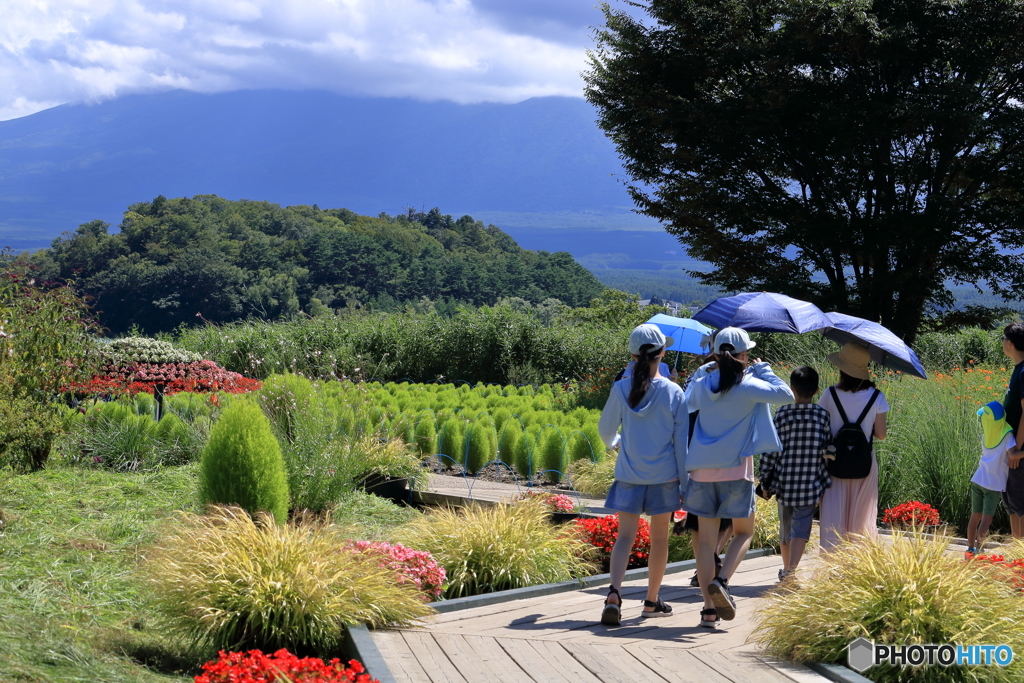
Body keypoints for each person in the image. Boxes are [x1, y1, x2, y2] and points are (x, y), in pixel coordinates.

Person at [685, 327, 793, 627]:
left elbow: (686, 404)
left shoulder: (704, 384)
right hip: (736, 471)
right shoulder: (749, 385)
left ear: (716, 355)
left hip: (701, 471)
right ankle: (722, 580)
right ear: (744, 355)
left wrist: (704, 371)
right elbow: (786, 395)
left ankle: (708, 610)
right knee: (743, 532)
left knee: (705, 543)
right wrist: (764, 369)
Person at [597, 324, 688, 626]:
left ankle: (613, 594)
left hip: (629, 473)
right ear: (663, 353)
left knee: (625, 536)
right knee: (659, 540)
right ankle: (651, 601)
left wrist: (617, 444)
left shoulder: (621, 388)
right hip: (664, 477)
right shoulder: (674, 391)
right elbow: (682, 442)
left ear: (633, 354)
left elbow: (605, 430)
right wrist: (685, 484)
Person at [758, 366, 832, 580]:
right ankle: (791, 570)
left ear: (791, 390)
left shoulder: (782, 414)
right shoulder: (822, 416)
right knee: (801, 528)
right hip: (810, 482)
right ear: (817, 390)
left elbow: (771, 449)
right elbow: (826, 447)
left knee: (786, 528)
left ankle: (787, 569)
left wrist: (765, 479)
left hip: (784, 482)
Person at [817, 343, 889, 551]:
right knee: (862, 515)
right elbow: (881, 435)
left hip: (834, 460)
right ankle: (857, 565)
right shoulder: (877, 397)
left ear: (842, 369)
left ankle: (832, 562)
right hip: (863, 461)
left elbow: (821, 426)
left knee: (834, 512)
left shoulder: (830, 394)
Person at [967, 401, 1018, 556]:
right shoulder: (1007, 435)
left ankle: (970, 549)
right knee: (986, 520)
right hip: (993, 485)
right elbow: (1013, 455)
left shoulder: (986, 434)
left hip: (978, 479)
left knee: (975, 517)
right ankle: (980, 551)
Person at [1000, 323, 1024, 538]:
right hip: (1013, 450)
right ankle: (1017, 557)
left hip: (1019, 451)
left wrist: (1017, 447)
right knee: (1012, 503)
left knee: (1021, 504)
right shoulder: (1019, 369)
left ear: (1010, 344)